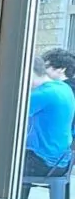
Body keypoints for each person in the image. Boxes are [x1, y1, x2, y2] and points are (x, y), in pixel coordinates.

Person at [24, 48, 75, 178]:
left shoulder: (42, 94)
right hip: (61, 161)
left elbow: (9, 117)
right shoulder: (63, 87)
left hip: (43, 162)